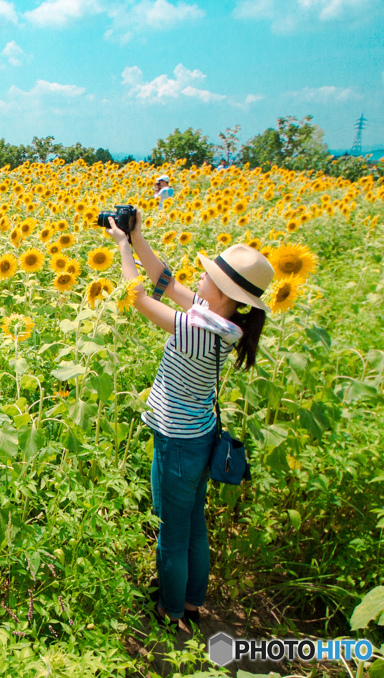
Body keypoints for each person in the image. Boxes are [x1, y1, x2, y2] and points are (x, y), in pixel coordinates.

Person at [105, 209, 273, 630]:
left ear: (221, 291)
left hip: (177, 443)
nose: (197, 279)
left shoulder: (198, 331)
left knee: (171, 534)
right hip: (199, 436)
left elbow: (140, 298)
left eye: (205, 277)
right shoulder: (223, 322)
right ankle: (193, 603)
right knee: (194, 524)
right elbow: (164, 281)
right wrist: (138, 237)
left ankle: (171, 610)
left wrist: (123, 249)